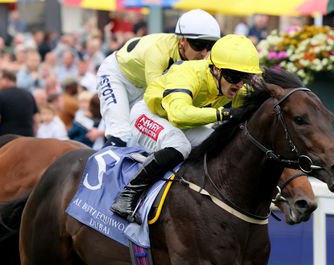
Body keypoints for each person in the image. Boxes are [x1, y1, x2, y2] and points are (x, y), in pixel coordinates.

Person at [110, 34, 262, 222]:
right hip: (148, 115)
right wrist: (224, 114)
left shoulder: (236, 85)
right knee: (179, 145)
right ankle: (127, 195)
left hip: (179, 123)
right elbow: (179, 114)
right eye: (234, 77)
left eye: (245, 78)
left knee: (224, 144)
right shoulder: (188, 73)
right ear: (215, 69)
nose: (239, 85)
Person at [96, 8, 221, 148]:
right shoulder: (158, 51)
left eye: (210, 46)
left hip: (143, 86)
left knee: (143, 140)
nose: (204, 53)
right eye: (198, 45)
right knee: (121, 135)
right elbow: (156, 97)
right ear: (182, 40)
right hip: (117, 77)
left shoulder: (199, 59)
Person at [0, 69, 38, 138]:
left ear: (6, 80)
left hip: (6, 141)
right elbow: (36, 120)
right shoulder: (28, 95)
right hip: (26, 141)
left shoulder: (0, 96)